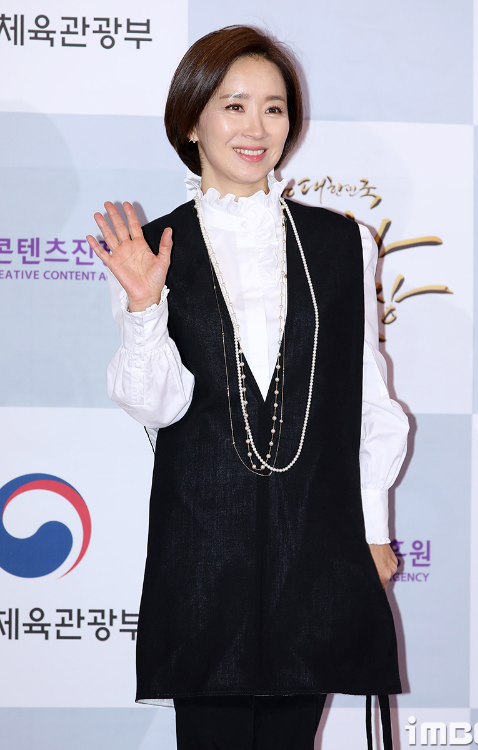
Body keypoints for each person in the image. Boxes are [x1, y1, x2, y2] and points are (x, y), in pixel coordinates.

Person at [87, 25, 409, 750]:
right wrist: (144, 305)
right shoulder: (149, 249)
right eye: (233, 106)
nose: (255, 128)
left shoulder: (342, 243)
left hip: (315, 542)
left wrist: (373, 529)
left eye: (273, 108)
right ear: (192, 120)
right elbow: (157, 405)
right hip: (203, 545)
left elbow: (367, 398)